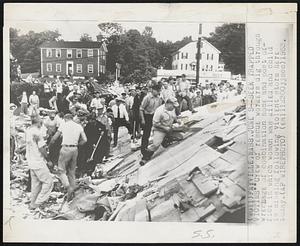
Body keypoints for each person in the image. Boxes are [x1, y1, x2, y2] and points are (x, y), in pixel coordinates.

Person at [49, 114, 87, 200]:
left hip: (65, 148)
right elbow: (85, 140)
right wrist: (77, 145)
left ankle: (68, 187)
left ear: (65, 118)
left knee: (61, 170)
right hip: (74, 149)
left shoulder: (63, 125)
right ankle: (72, 192)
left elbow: (54, 138)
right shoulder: (78, 126)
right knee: (72, 171)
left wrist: (50, 145)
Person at [141, 97, 183, 164]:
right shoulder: (159, 111)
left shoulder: (172, 109)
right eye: (173, 106)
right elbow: (155, 123)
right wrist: (164, 128)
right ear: (168, 104)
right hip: (160, 129)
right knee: (156, 145)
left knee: (180, 137)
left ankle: (166, 140)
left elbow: (174, 116)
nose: (174, 108)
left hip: (169, 127)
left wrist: (177, 120)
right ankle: (145, 156)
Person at [25, 116, 53, 209]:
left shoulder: (28, 131)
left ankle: (32, 204)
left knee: (36, 184)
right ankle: (38, 202)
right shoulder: (38, 132)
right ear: (39, 122)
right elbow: (42, 148)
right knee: (49, 182)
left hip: (31, 161)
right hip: (38, 161)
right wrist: (48, 160)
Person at [140, 84, 163, 155]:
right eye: (157, 91)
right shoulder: (147, 98)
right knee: (146, 134)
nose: (158, 92)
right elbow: (141, 109)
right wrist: (143, 119)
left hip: (155, 116)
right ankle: (144, 150)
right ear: (153, 90)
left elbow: (159, 109)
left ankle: (156, 147)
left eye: (159, 91)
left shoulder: (159, 98)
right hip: (147, 116)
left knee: (158, 131)